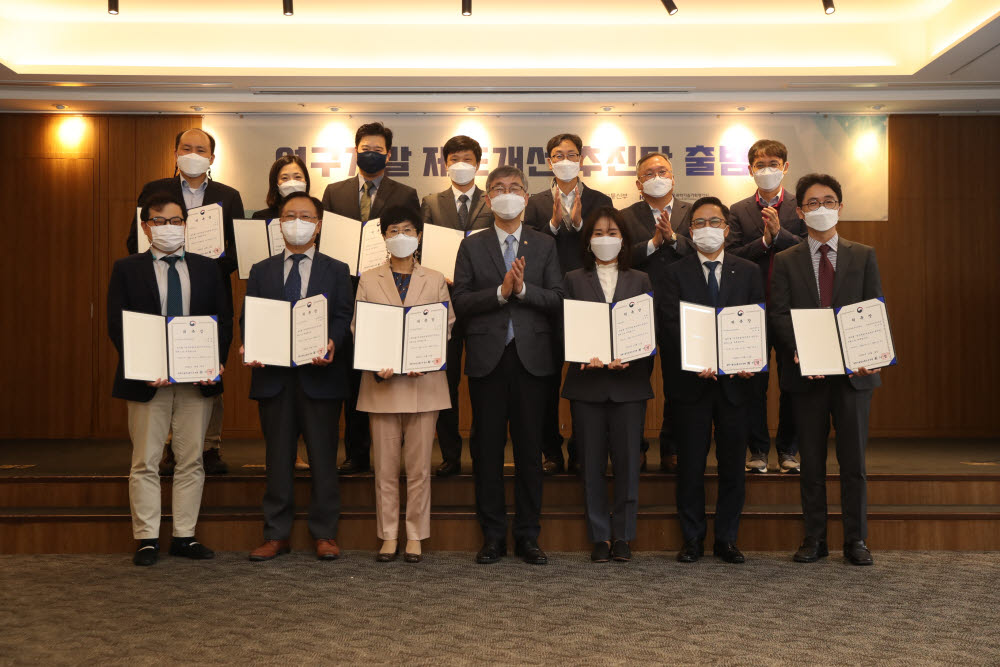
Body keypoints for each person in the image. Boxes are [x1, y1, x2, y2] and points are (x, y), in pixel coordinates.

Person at [107, 192, 233, 566]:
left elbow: (222, 321)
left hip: (197, 381)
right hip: (148, 383)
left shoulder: (208, 268)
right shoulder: (126, 268)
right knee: (145, 460)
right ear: (146, 227)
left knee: (191, 459)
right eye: (159, 222)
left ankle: (184, 536)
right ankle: (146, 538)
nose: (169, 228)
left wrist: (215, 361)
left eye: (176, 221)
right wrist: (144, 367)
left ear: (186, 226)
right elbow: (118, 325)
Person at [770, 173, 884, 567]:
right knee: (812, 462)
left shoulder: (863, 254)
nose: (822, 208)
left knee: (854, 462)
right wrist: (798, 349)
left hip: (854, 375)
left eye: (829, 201)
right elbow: (779, 314)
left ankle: (857, 540)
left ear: (840, 207)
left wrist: (872, 348)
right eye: (813, 203)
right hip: (808, 375)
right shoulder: (785, 260)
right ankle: (814, 538)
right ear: (800, 212)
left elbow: (873, 308)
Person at [453, 165, 564, 565]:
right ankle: (493, 536)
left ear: (527, 197)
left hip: (533, 361)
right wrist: (499, 294)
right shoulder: (471, 245)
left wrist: (524, 290)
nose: (507, 194)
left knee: (531, 452)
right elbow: (461, 302)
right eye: (498, 188)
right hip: (488, 360)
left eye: (515, 188)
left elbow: (556, 299)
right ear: (487, 199)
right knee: (486, 451)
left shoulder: (544, 245)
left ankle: (528, 536)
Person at [125, 128, 245, 476]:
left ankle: (209, 446)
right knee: (162, 361)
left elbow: (239, 248)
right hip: (161, 290)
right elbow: (134, 238)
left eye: (201, 149)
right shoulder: (155, 190)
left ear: (212, 157)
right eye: (186, 147)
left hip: (208, 293)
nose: (193, 153)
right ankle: (167, 446)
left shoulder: (228, 195)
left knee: (207, 366)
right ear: (175, 152)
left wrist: (205, 267)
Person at [242, 192, 354, 562]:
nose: (297, 222)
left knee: (323, 458)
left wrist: (333, 342)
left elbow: (342, 316)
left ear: (319, 225)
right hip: (274, 378)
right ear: (278, 223)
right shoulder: (262, 270)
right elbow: (250, 318)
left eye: (305, 216)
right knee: (277, 459)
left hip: (320, 377)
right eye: (290, 215)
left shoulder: (337, 269)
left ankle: (325, 533)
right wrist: (249, 344)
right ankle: (276, 534)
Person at [659, 197, 764, 564]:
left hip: (736, 385)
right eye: (700, 223)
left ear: (727, 229)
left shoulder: (748, 271)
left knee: (734, 464)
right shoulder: (675, 272)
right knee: (691, 465)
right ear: (690, 232)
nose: (708, 229)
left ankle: (726, 539)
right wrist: (698, 360)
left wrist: (751, 360)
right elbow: (671, 327)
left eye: (714, 222)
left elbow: (756, 322)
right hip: (692, 385)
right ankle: (692, 538)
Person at [354, 206, 455, 563]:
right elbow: (359, 328)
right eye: (393, 230)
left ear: (420, 235)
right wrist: (376, 362)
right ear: (383, 237)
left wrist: (422, 359)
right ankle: (388, 535)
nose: (401, 236)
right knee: (383, 468)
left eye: (408, 229)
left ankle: (414, 535)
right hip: (381, 385)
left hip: (423, 384)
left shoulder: (436, 277)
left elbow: (445, 325)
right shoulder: (368, 278)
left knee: (419, 469)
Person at [321, 122, 420, 475]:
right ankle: (356, 452)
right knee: (350, 377)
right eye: (365, 147)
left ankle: (397, 455)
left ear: (388, 154)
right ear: (355, 150)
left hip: (386, 293)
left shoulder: (405, 192)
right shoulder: (334, 192)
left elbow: (408, 241)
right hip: (343, 292)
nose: (371, 153)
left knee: (386, 372)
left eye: (378, 149)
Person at [561, 207, 653, 563]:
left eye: (612, 232)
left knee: (629, 463)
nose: (605, 238)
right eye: (598, 233)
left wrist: (634, 356)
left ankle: (624, 535)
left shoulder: (640, 279)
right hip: (588, 383)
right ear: (588, 241)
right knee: (592, 463)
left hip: (629, 383)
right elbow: (567, 328)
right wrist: (583, 355)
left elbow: (647, 330)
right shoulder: (573, 278)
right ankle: (599, 535)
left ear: (624, 239)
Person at [524, 133, 614, 475]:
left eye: (572, 154)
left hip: (586, 298)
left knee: (584, 376)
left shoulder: (600, 199)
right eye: (558, 154)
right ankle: (550, 450)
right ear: (549, 161)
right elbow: (527, 246)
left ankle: (581, 449)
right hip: (544, 301)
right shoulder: (532, 202)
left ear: (581, 159)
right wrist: (553, 224)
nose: (565, 159)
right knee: (544, 380)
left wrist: (578, 226)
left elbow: (609, 242)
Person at [725, 139, 806, 475]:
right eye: (760, 165)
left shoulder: (801, 208)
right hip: (752, 308)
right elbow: (732, 256)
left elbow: (808, 249)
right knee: (753, 384)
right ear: (750, 170)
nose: (767, 170)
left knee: (793, 382)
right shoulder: (739, 209)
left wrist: (781, 236)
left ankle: (789, 450)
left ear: (785, 167)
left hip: (791, 309)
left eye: (774, 163)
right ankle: (757, 450)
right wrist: (764, 242)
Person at [420, 135, 494, 477]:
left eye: (466, 159)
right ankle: (450, 454)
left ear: (477, 164)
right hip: (441, 300)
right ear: (445, 164)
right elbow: (420, 250)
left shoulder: (492, 202)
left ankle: (482, 450)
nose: (460, 165)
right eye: (453, 159)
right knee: (444, 382)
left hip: (482, 302)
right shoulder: (431, 202)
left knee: (481, 379)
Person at [621, 152, 694, 473]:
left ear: (674, 178)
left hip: (681, 309)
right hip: (638, 310)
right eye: (648, 174)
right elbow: (619, 256)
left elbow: (705, 250)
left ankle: (672, 447)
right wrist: (652, 243)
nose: (656, 177)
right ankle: (634, 446)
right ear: (638, 184)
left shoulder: (693, 213)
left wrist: (674, 239)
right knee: (635, 383)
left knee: (678, 384)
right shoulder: (624, 216)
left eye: (662, 171)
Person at [254, 155, 314, 470]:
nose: (291, 181)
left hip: (309, 313)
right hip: (271, 306)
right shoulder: (260, 218)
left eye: (297, 175)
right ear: (275, 183)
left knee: (307, 392)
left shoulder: (318, 217)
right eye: (284, 176)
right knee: (278, 398)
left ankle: (299, 451)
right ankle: (281, 454)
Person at [252, 155, 311, 220]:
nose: (292, 184)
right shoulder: (261, 217)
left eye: (297, 177)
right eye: (285, 178)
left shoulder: (319, 216)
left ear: (306, 181)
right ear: (276, 184)